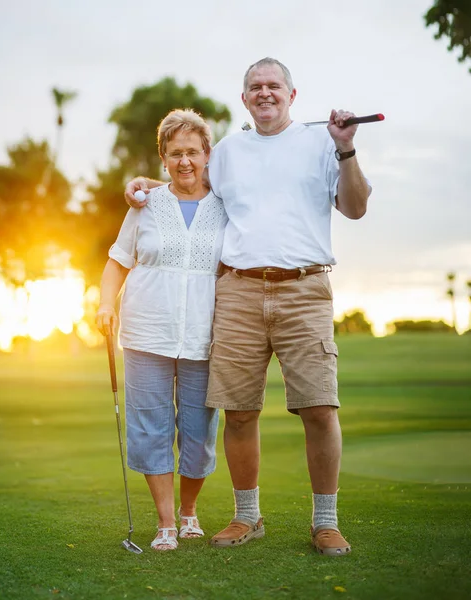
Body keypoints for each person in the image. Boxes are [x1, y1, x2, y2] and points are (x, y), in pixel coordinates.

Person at [125, 57, 372, 555]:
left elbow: (357, 206)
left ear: (291, 95)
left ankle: (325, 521)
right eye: (255, 86)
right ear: (244, 99)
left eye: (273, 85)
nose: (264, 93)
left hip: (305, 288)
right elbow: (185, 180)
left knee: (320, 408)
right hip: (236, 290)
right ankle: (247, 516)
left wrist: (346, 149)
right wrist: (145, 186)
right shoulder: (230, 152)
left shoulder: (324, 142)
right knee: (238, 412)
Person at [96, 109, 228, 551]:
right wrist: (103, 304)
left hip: (203, 337)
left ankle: (190, 512)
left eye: (193, 151)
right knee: (150, 427)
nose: (185, 161)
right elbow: (117, 262)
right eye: (175, 153)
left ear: (208, 154)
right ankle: (166, 522)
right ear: (163, 159)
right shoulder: (146, 204)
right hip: (145, 332)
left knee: (198, 431)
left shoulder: (226, 205)